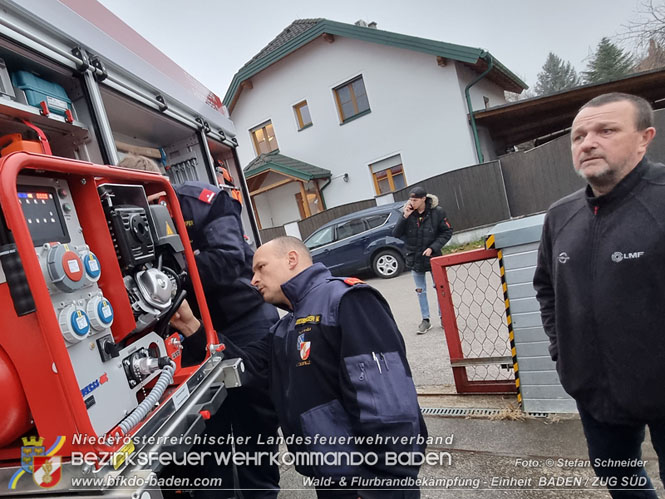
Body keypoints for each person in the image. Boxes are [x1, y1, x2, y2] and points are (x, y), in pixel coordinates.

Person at [173, 236, 428, 499]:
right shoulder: (285, 328)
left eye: (261, 267)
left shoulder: (346, 299)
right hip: (334, 479)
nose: (253, 280)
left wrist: (385, 480)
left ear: (292, 259)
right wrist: (192, 326)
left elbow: (387, 400)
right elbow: (246, 366)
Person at [118, 154, 281, 498]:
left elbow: (227, 257)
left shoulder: (205, 202)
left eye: (149, 203)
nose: (143, 215)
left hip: (244, 321)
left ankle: (260, 491)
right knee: (209, 422)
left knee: (254, 416)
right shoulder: (118, 222)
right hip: (190, 330)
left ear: (162, 191)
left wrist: (168, 276)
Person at [533, 93, 665, 498]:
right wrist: (564, 355)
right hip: (594, 392)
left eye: (606, 130)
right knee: (621, 483)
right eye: (579, 136)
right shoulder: (560, 215)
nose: (588, 142)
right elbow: (546, 289)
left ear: (645, 138)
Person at [392, 186, 453, 333]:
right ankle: (425, 320)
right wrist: (404, 216)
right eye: (410, 199)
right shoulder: (408, 213)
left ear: (423, 199)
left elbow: (447, 232)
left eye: (415, 200)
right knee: (420, 290)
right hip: (414, 258)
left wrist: (432, 247)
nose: (411, 202)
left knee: (440, 288)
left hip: (433, 257)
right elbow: (396, 234)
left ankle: (444, 317)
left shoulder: (437, 212)